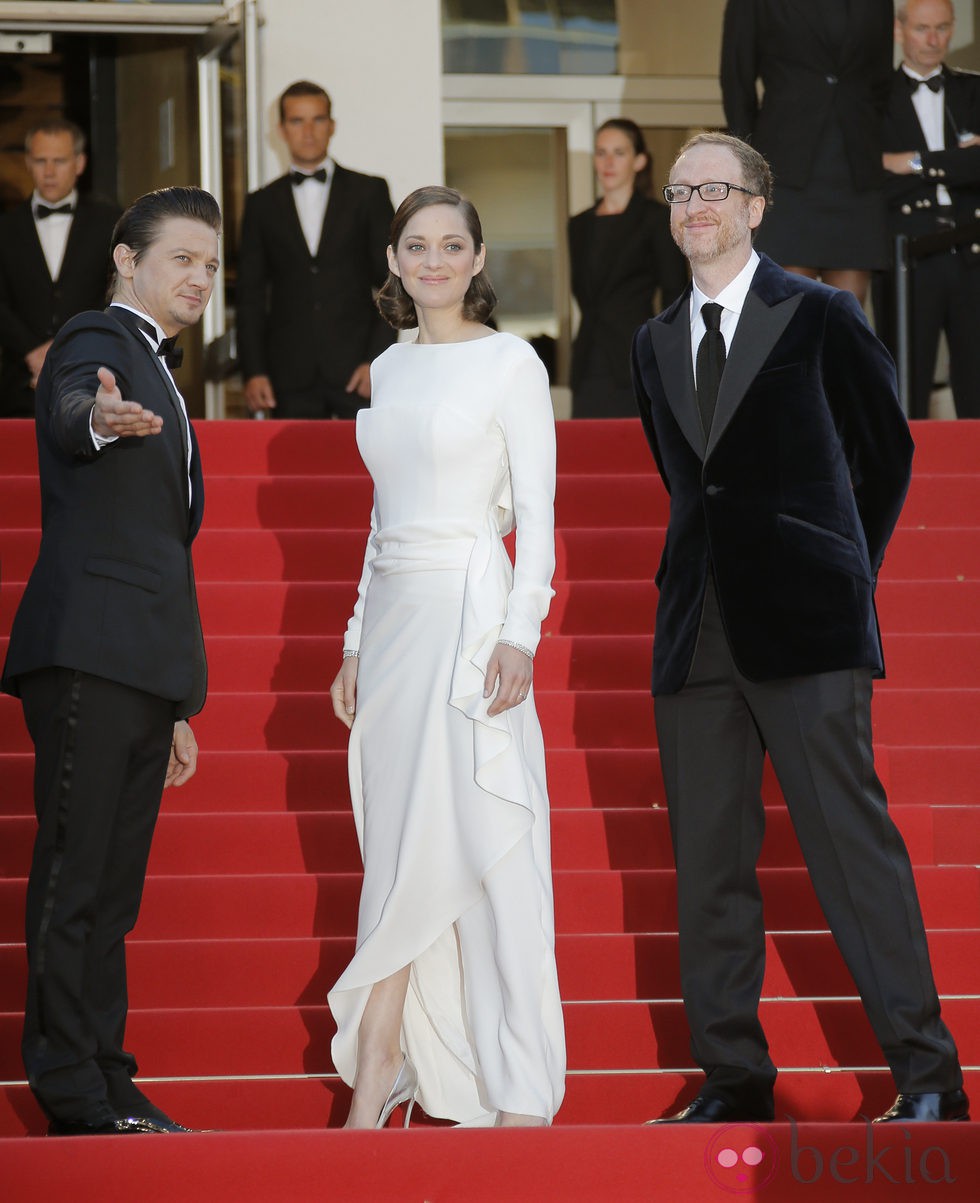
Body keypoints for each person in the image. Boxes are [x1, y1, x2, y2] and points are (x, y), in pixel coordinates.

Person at [632, 131, 968, 1126]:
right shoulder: (652, 341)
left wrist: (834, 569)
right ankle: (733, 1078)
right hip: (695, 634)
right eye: (680, 190)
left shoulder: (820, 313)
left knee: (849, 854)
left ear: (755, 206)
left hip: (807, 632)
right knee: (708, 869)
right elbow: (681, 479)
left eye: (714, 189)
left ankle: (925, 1077)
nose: (694, 204)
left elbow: (884, 454)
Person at [327, 186, 565, 1129]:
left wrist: (521, 631)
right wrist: (352, 639)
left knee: (487, 844)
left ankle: (514, 1085)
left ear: (475, 262)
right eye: (416, 245)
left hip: (472, 615)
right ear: (394, 260)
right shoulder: (385, 368)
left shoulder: (512, 363)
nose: (433, 260)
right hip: (392, 625)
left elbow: (538, 515)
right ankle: (381, 1060)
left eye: (451, 245)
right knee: (394, 844)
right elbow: (382, 519)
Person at [1, 186, 220, 1135]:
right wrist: (98, 418)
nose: (200, 278)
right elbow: (70, 402)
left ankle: (107, 1077)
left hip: (138, 665)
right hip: (87, 650)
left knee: (113, 895)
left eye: (211, 265)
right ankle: (68, 1084)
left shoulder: (167, 373)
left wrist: (175, 699)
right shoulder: (100, 337)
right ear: (129, 259)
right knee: (75, 877)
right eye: (183, 259)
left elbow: (160, 544)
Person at [236, 80, 395, 419]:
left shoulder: (370, 192)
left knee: (363, 471)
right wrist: (254, 370)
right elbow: (249, 295)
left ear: (332, 125)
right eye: (297, 121)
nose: (308, 131)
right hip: (287, 376)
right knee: (293, 470)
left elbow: (392, 281)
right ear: (281, 129)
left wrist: (378, 359)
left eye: (317, 119)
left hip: (359, 371)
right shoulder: (260, 204)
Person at [720, 0, 894, 305]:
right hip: (783, 170)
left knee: (847, 318)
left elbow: (880, 79)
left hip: (855, 170)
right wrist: (746, 161)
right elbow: (737, 80)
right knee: (788, 315)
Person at [876, 0, 980, 420]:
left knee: (976, 380)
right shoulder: (873, 94)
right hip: (906, 254)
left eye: (941, 28)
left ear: (953, 28)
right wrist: (956, 162)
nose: (933, 39)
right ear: (900, 30)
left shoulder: (974, 90)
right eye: (922, 28)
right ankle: (907, 483)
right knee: (904, 380)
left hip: (972, 252)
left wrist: (913, 161)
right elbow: (871, 173)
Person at [0, 118, 120, 417]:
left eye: (59, 161)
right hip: (18, 387)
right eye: (41, 161)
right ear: (28, 163)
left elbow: (119, 295)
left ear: (79, 163)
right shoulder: (6, 228)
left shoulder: (112, 222)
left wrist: (66, 346)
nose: (49, 172)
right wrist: (32, 352)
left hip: (94, 380)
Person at [567, 118, 687, 417]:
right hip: (587, 363)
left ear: (639, 161)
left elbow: (675, 293)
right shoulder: (579, 225)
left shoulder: (657, 219)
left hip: (637, 358)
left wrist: (667, 356)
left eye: (619, 153)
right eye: (601, 152)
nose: (608, 162)